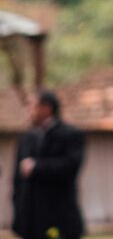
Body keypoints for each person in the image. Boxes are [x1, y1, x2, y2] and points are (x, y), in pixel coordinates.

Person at [12, 90, 85, 239]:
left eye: (32, 106)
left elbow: (71, 165)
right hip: (30, 219)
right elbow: (17, 179)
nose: (29, 110)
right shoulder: (27, 137)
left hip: (59, 215)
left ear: (46, 108)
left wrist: (37, 166)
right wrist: (18, 209)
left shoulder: (70, 135)